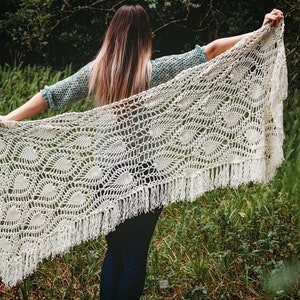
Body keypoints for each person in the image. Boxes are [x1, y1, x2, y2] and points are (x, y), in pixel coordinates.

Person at [0, 4, 283, 299]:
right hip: (146, 176)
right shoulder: (155, 71)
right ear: (144, 37)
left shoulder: (95, 74)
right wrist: (261, 31)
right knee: (135, 256)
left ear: (112, 35)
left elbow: (52, 96)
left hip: (106, 177)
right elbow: (210, 52)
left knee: (116, 253)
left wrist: (9, 118)